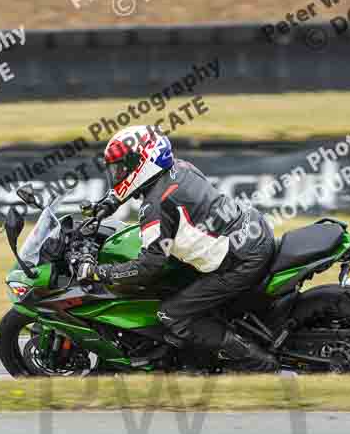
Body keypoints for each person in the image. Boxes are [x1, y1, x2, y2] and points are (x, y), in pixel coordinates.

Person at [76, 125, 279, 372]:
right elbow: (135, 186)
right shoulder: (180, 168)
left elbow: (148, 267)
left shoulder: (155, 207)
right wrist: (108, 203)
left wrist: (100, 272)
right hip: (252, 229)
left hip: (239, 260)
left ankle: (259, 363)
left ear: (143, 163)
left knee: (172, 314)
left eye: (121, 168)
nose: (117, 174)